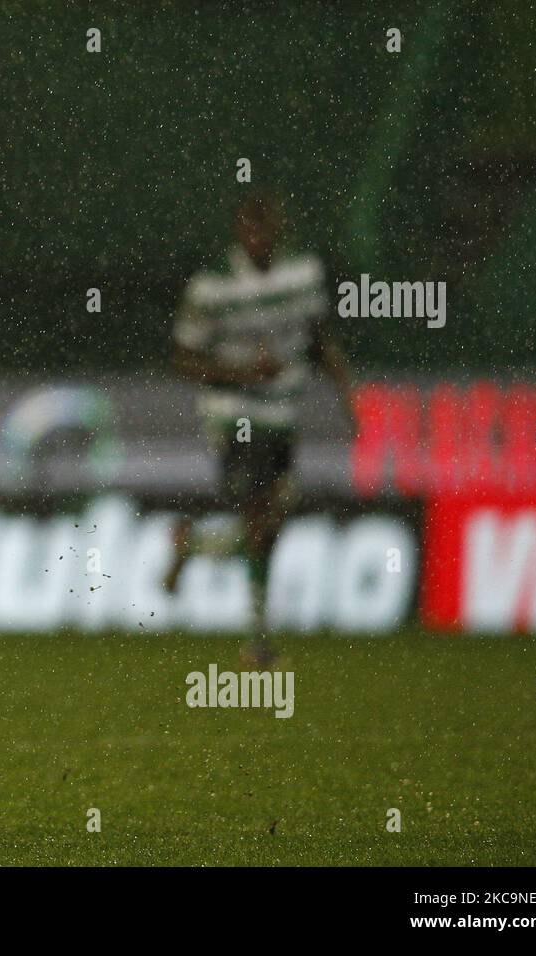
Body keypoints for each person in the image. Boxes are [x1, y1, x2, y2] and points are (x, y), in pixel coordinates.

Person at [168, 192, 355, 665]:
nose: (260, 237)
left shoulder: (304, 274)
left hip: (283, 413)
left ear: (280, 229)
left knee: (271, 523)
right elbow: (184, 358)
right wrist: (246, 374)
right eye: (252, 228)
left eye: (267, 227)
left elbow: (319, 339)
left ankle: (193, 542)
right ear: (240, 232)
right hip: (234, 413)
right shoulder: (212, 287)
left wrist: (348, 396)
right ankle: (258, 640)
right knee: (256, 514)